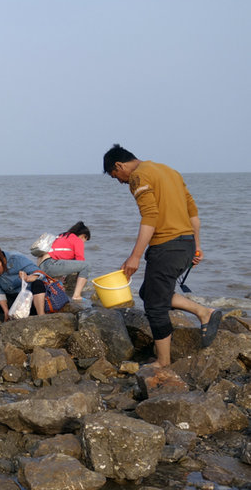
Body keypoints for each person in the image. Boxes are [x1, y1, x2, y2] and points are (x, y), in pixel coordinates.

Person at [103, 144, 221, 368]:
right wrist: (196, 246)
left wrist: (135, 256)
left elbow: (150, 217)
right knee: (149, 292)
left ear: (119, 165)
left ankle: (163, 362)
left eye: (115, 175)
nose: (119, 181)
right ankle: (203, 312)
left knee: (155, 307)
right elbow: (193, 213)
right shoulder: (169, 171)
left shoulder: (139, 176)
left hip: (166, 247)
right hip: (184, 244)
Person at [0, 243, 47, 321]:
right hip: (16, 300)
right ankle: (19, 314)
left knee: (38, 283)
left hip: (32, 299)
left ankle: (41, 316)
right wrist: (6, 311)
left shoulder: (17, 259)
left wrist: (28, 278)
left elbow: (39, 273)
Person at [38, 221, 92, 301]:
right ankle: (76, 295)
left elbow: (60, 255)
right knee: (86, 266)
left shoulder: (61, 236)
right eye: (85, 239)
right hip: (51, 264)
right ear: (83, 236)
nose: (84, 242)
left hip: (42, 265)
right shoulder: (77, 240)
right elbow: (80, 260)